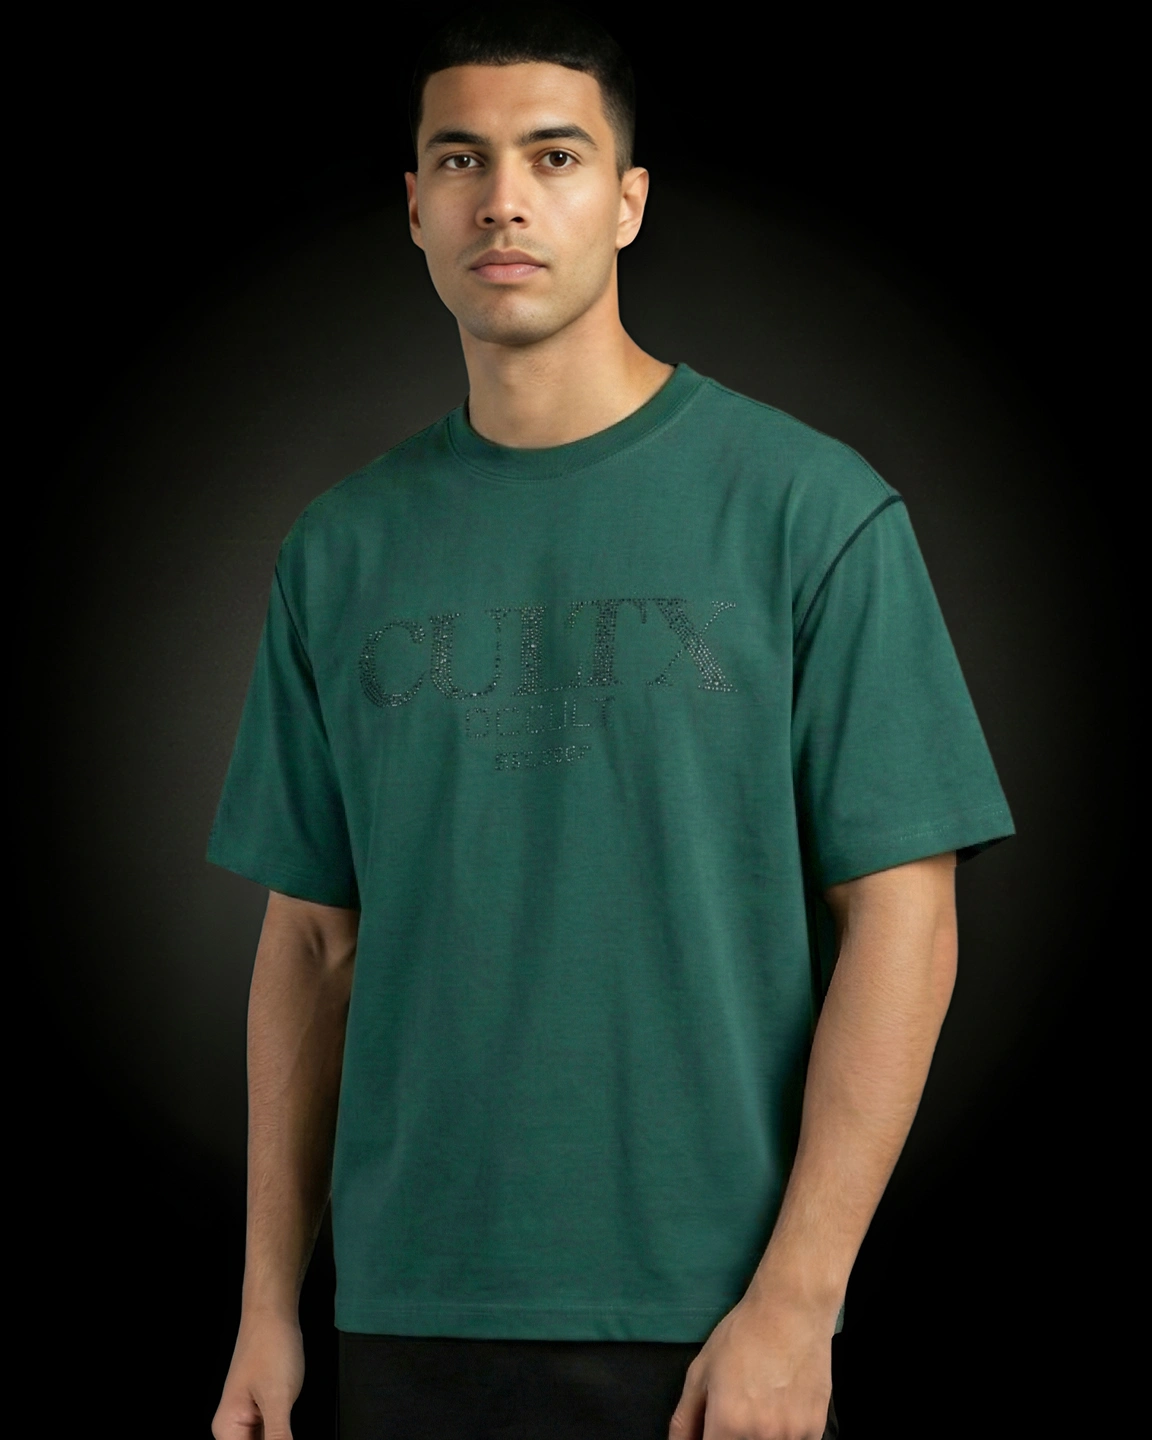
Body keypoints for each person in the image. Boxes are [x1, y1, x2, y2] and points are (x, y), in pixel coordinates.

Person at [207, 5, 1014, 1437]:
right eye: (461, 158)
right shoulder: (337, 551)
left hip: (711, 1322)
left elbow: (906, 914)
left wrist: (798, 1301)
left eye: (556, 156)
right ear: (415, 207)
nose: (503, 199)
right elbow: (313, 943)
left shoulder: (809, 511)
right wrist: (270, 1304)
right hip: (410, 1311)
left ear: (629, 201)